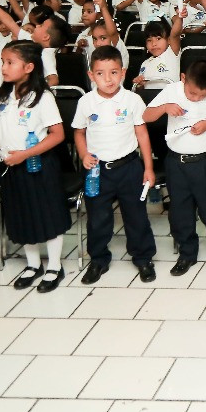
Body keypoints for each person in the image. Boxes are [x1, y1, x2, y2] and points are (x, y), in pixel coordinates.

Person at [72, 46, 158, 285]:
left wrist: (148, 168)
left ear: (123, 72)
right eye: (100, 73)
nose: (107, 79)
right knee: (98, 217)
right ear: (91, 75)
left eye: (113, 72)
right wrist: (83, 154)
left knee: (136, 215)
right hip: (98, 170)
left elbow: (142, 135)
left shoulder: (132, 100)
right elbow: (79, 133)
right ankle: (98, 259)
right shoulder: (86, 102)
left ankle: (143, 258)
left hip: (129, 167)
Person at [0, 40, 72, 292]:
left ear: (28, 67)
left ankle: (55, 266)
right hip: (11, 165)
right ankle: (33, 264)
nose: (3, 67)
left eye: (9, 62)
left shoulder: (42, 97)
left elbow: (57, 135)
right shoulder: (5, 94)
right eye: (3, 62)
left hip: (38, 164)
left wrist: (25, 154)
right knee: (22, 214)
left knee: (47, 214)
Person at [143, 59, 206, 277]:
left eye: (203, 95)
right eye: (193, 94)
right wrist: (165, 108)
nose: (197, 98)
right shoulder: (171, 90)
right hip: (177, 162)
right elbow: (146, 116)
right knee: (181, 211)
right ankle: (187, 254)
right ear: (183, 78)